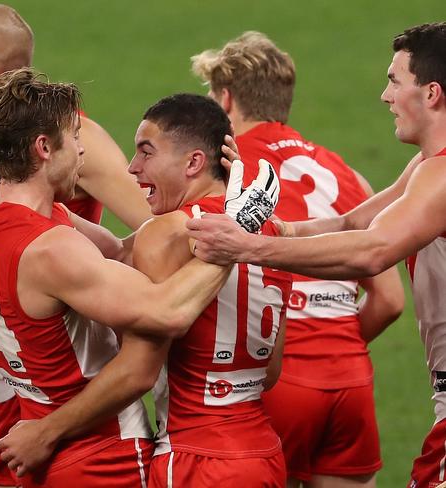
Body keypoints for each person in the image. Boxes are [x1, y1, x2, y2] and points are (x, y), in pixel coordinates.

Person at [185, 22, 446, 488]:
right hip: (353, 377)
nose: (385, 96)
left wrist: (250, 246)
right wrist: (277, 228)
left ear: (431, 93)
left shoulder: (443, 174)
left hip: (278, 380)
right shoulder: (415, 167)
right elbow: (353, 223)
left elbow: (374, 250)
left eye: (394, 81)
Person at [0, 91, 287, 487]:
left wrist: (45, 431)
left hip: (193, 458)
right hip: (263, 453)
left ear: (194, 162)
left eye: (146, 153)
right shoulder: (270, 229)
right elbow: (268, 372)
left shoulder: (163, 234)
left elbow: (137, 369)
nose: (132, 168)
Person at [0, 6, 153, 486]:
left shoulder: (76, 138)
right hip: (16, 390)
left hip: (77, 399)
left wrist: (146, 327)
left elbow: (158, 230)